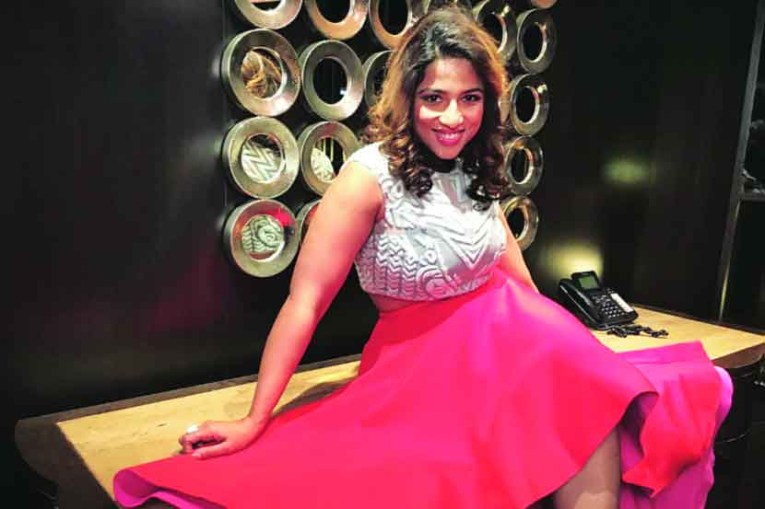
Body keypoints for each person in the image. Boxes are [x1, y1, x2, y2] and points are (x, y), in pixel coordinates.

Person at [113, 5, 730, 509]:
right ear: (408, 97)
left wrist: (567, 351)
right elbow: (305, 303)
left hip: (503, 346)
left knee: (589, 405)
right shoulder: (367, 178)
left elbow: (515, 279)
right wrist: (255, 418)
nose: (453, 117)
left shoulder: (478, 166)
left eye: (470, 98)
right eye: (435, 97)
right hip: (418, 363)